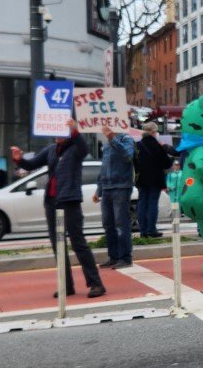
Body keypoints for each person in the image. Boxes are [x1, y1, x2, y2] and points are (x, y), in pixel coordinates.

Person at [11, 119, 106, 299]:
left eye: (62, 131)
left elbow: (84, 147)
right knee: (58, 245)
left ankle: (96, 284)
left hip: (69, 200)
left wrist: (74, 130)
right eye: (56, 131)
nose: (57, 135)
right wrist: (19, 159)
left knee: (78, 243)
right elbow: (32, 165)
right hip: (51, 201)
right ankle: (67, 285)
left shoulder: (76, 149)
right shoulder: (50, 150)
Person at [94, 123, 136, 270]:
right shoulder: (107, 144)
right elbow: (103, 168)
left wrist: (113, 139)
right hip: (107, 188)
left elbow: (127, 156)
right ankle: (114, 257)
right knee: (108, 224)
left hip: (121, 187)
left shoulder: (126, 139)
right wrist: (98, 190)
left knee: (121, 224)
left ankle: (125, 257)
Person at [135, 121, 172, 239]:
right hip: (155, 179)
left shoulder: (137, 145)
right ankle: (151, 229)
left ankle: (143, 230)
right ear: (152, 132)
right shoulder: (157, 145)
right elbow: (166, 163)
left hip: (140, 179)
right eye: (156, 132)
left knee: (142, 203)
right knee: (152, 203)